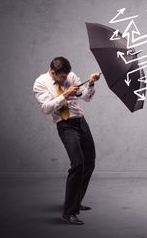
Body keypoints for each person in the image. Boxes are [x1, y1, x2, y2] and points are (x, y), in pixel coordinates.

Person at [32, 56, 101, 225]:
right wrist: (64, 95)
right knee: (77, 163)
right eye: (62, 77)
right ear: (53, 72)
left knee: (90, 162)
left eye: (67, 76)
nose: (66, 79)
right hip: (65, 125)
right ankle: (68, 213)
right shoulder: (40, 83)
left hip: (80, 120)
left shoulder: (70, 76)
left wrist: (91, 83)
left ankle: (75, 201)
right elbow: (46, 108)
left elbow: (86, 98)